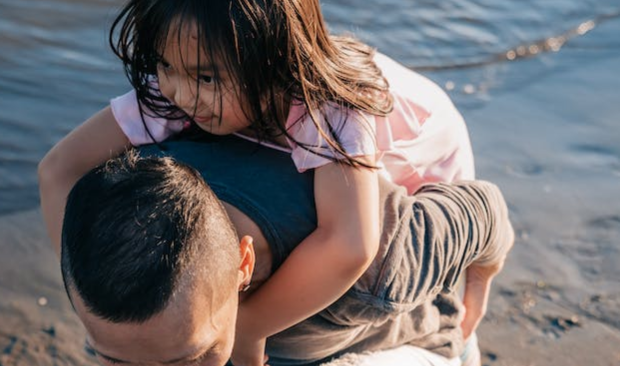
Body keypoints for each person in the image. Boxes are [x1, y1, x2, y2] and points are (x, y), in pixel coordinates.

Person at [39, 1, 474, 364]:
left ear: (273, 63)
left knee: (402, 261)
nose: (178, 93)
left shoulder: (330, 110)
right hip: (280, 92)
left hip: (422, 152)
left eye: (205, 77)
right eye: (163, 63)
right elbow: (58, 169)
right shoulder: (182, 84)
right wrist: (89, 287)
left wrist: (250, 327)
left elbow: (349, 244)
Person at [58, 137, 513, 366]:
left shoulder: (376, 261)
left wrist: (480, 283)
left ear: (244, 265)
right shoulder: (109, 233)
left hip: (407, 341)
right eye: (114, 361)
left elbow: (485, 209)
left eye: (190, 360)